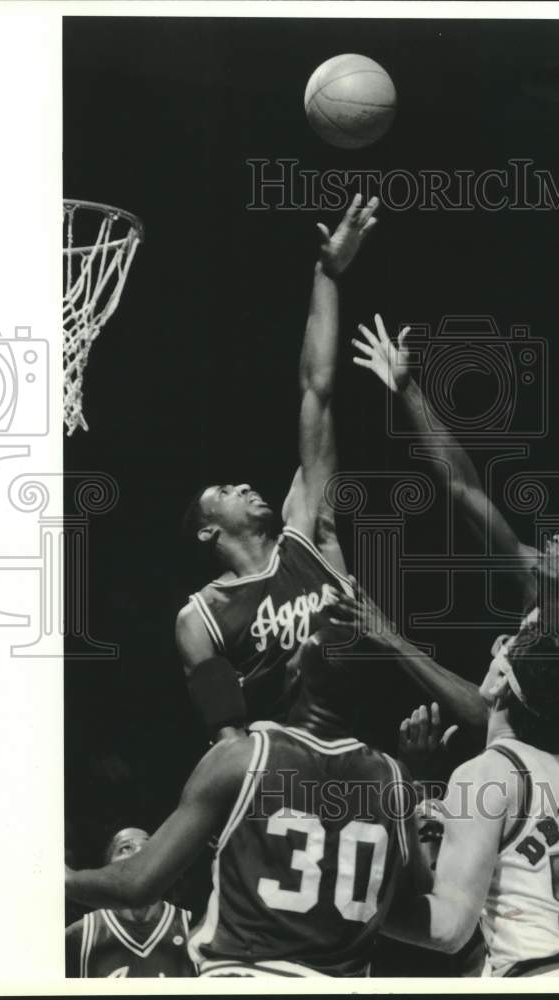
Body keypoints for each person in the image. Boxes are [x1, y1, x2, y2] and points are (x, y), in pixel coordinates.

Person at [351, 313, 559, 973]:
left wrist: (390, 639)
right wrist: (407, 389)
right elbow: (464, 489)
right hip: (543, 805)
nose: (556, 535)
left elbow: (488, 713)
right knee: (500, 960)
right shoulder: (540, 605)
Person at [66, 630, 424, 978]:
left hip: (244, 975)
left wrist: (64, 878)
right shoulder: (394, 778)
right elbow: (409, 900)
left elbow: (138, 884)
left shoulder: (243, 757)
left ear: (295, 679)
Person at [175, 193, 378, 727]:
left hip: (359, 740)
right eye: (223, 492)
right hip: (281, 765)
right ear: (206, 533)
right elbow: (226, 729)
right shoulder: (201, 619)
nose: (241, 486)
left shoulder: (308, 529)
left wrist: (328, 274)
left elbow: (318, 389)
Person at [382, 632, 559, 978]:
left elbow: (448, 928)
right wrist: (426, 794)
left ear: (501, 683)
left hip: (539, 974)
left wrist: (351, 909)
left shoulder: (490, 772)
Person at [65, 827, 195, 978]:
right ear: (107, 870)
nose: (140, 852)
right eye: (125, 848)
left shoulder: (193, 927)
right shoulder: (76, 938)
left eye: (147, 848)